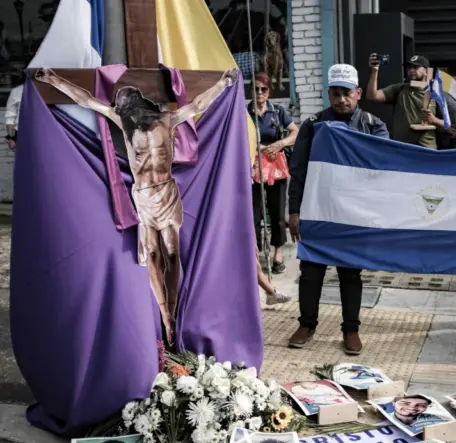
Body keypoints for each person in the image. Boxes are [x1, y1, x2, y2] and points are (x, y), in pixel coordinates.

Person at [35, 67, 240, 341]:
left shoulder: (167, 120)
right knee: (153, 253)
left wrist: (224, 83)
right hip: (143, 196)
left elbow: (197, 104)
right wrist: (54, 80)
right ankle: (165, 313)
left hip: (166, 190)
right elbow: (86, 100)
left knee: (172, 251)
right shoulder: (124, 121)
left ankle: (174, 307)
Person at [287, 64, 389, 356]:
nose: (341, 99)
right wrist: (294, 212)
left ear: (358, 93)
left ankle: (351, 329)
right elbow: (299, 170)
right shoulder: (314, 124)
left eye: (347, 93)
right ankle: (306, 324)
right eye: (335, 94)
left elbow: (383, 167)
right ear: (328, 94)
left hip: (353, 212)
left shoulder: (373, 125)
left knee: (350, 273)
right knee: (310, 271)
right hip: (318, 209)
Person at [249, 72, 298, 275]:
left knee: (278, 213)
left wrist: (280, 143)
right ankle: (256, 254)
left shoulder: (277, 112)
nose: (260, 93)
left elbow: (296, 132)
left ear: (269, 92)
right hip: (253, 167)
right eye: (256, 89)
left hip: (276, 167)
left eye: (264, 89)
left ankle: (278, 252)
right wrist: (259, 147)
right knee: (255, 214)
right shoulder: (244, 113)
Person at [366, 54, 441, 148]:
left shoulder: (436, 93)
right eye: (409, 67)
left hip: (426, 150)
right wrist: (375, 71)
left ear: (426, 71)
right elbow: (372, 96)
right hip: (402, 149)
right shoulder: (400, 89)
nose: (411, 70)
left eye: (415, 67)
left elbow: (449, 124)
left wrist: (434, 120)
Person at [4, 72, 23, 151]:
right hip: (21, 132)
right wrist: (10, 137)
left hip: (43, 132)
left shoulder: (46, 92)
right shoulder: (17, 91)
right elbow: (10, 115)